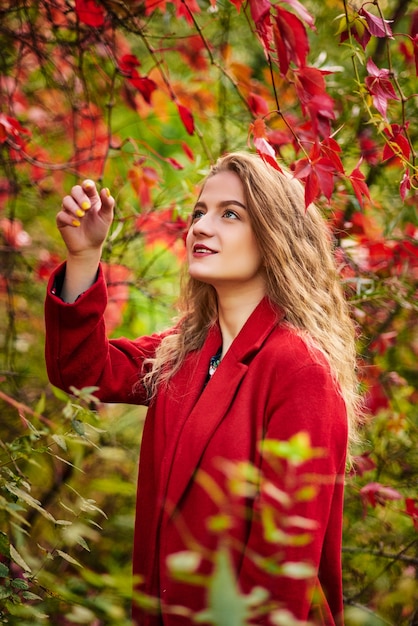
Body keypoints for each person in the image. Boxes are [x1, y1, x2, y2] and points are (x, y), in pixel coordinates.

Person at [45, 151, 361, 626]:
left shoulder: (299, 368)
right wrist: (84, 255)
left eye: (229, 214)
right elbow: (82, 370)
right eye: (199, 212)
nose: (200, 227)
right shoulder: (188, 351)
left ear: (277, 236)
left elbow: (282, 574)